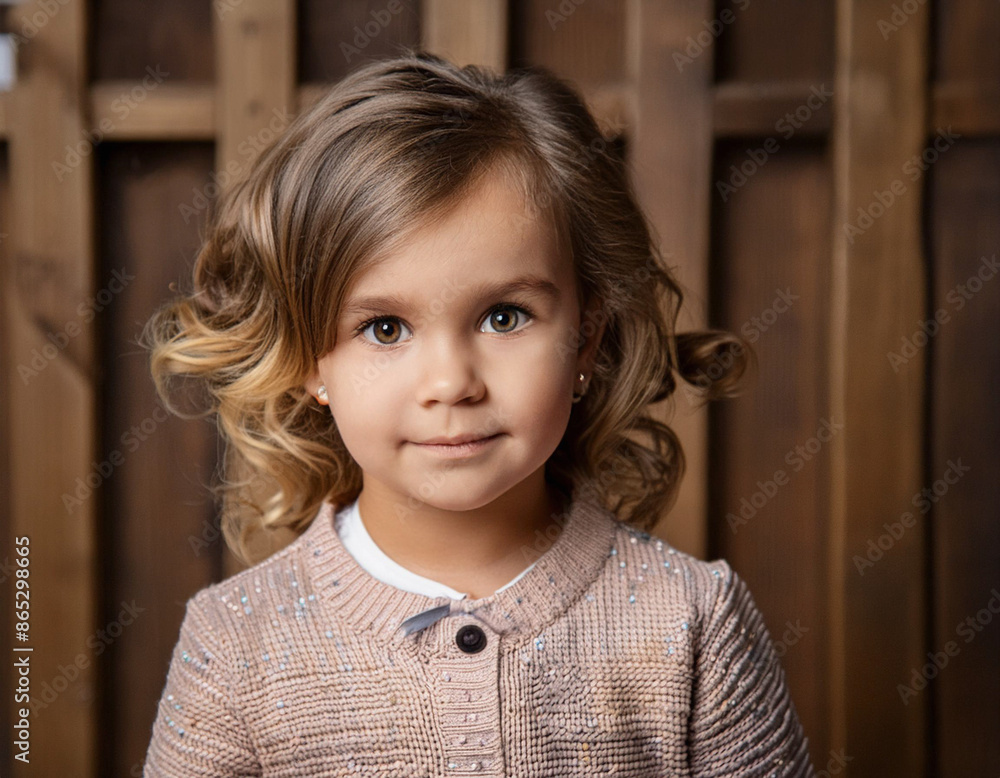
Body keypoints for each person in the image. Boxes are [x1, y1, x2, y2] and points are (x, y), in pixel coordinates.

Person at [139, 48, 815, 776]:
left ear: (587, 334)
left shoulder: (690, 621)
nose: (453, 383)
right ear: (309, 360)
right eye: (385, 329)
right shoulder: (235, 642)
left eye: (503, 316)